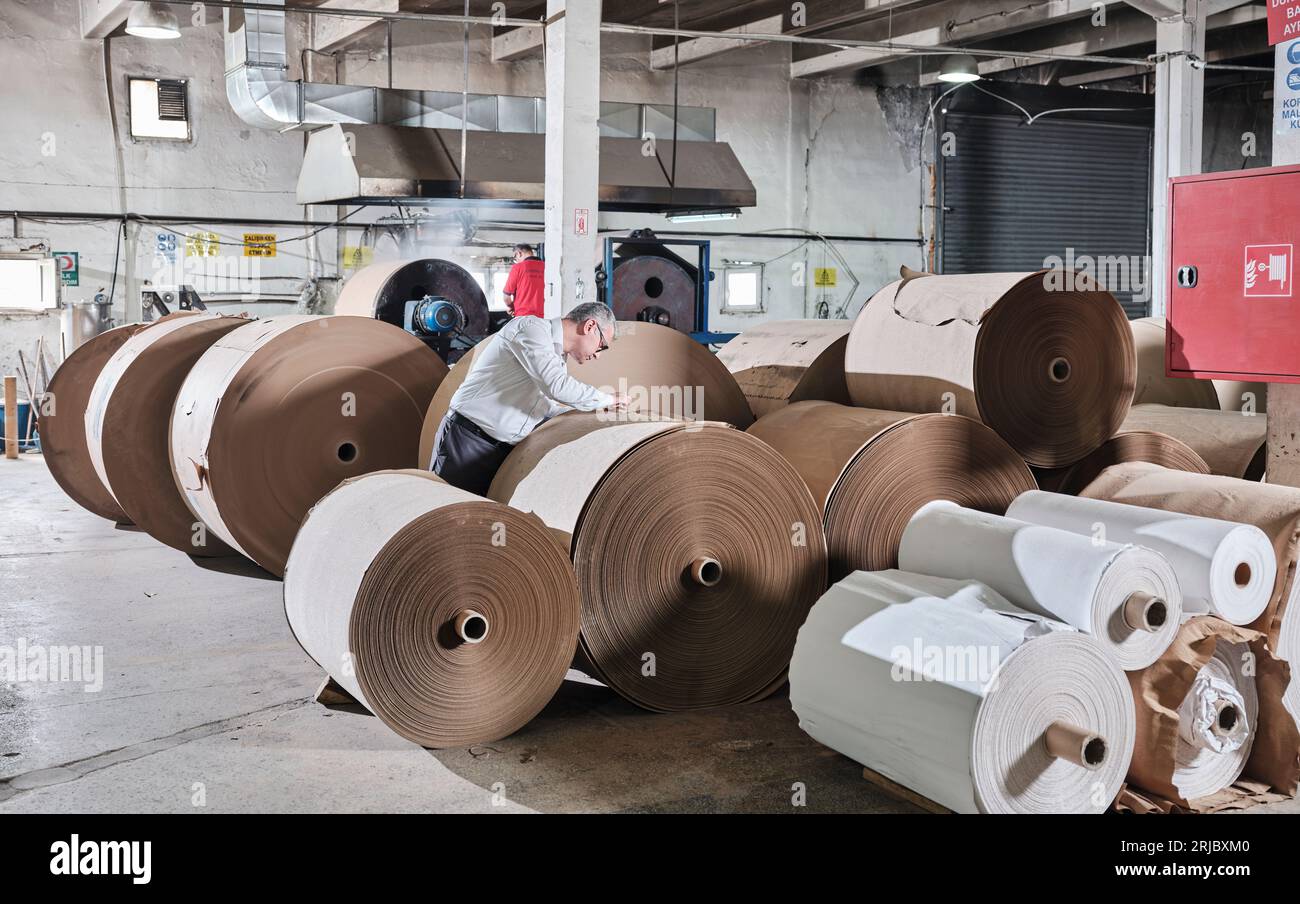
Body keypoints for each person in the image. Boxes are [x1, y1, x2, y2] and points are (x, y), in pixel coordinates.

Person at [430, 302, 630, 495]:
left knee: (477, 523)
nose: (597, 355)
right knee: (447, 518)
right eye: (602, 345)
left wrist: (587, 412)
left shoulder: (557, 356)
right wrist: (608, 399)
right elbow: (556, 386)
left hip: (498, 452)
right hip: (467, 442)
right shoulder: (531, 330)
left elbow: (542, 407)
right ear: (589, 326)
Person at [502, 244, 545, 318]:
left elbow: (506, 297)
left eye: (515, 258)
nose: (516, 261)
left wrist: (512, 307)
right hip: (541, 317)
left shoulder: (518, 268)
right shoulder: (545, 266)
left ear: (519, 253)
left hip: (522, 316)